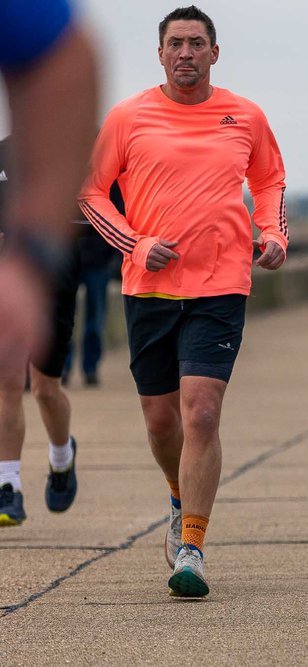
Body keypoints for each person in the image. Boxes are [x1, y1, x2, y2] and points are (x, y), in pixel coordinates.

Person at [79, 5, 288, 598]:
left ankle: (192, 546)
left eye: (198, 43)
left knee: (201, 411)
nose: (187, 53)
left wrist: (273, 234)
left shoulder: (244, 115)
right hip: (149, 289)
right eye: (177, 43)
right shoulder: (128, 116)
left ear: (215, 53)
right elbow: (92, 192)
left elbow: (270, 180)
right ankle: (179, 497)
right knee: (162, 419)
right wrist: (137, 243)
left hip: (221, 285)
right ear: (161, 53)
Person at [0, 1, 99, 526]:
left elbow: (72, 54)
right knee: (5, 380)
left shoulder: (56, 155)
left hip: (53, 279)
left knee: (44, 387)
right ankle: (7, 487)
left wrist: (35, 250)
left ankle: (62, 456)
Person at [63, 185, 124, 387]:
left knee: (95, 316)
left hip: (98, 259)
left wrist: (115, 256)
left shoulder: (105, 170)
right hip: (66, 256)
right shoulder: (63, 170)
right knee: (64, 315)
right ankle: (63, 367)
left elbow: (119, 212)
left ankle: (91, 368)